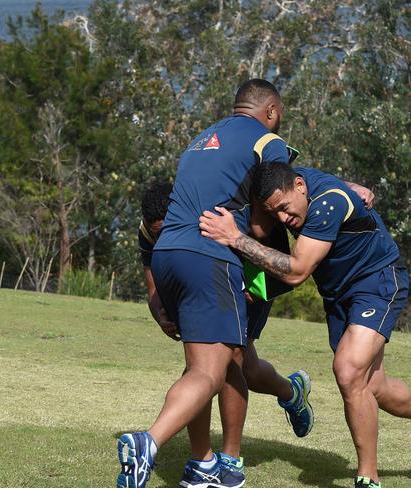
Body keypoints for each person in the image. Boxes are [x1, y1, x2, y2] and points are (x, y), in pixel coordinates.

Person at [116, 79, 295, 488]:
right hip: (212, 256)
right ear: (271, 111)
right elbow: (270, 209)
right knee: (214, 372)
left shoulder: (200, 139)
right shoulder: (268, 142)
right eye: (279, 116)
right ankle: (149, 443)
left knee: (211, 364)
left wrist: (156, 298)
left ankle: (204, 467)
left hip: (169, 256)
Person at [199, 162, 411, 488]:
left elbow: (297, 272)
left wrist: (235, 238)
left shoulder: (328, 203)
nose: (283, 219)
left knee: (348, 370)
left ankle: (367, 478)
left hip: (377, 279)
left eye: (284, 209)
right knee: (374, 388)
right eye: (275, 213)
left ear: (300, 186)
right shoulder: (296, 181)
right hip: (339, 295)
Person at [137, 181, 313, 483]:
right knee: (243, 368)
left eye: (167, 229)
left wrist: (255, 289)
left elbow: (270, 254)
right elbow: (153, 283)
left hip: (250, 283)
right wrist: (159, 313)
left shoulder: (214, 212)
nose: (162, 237)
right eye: (157, 232)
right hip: (205, 287)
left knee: (227, 362)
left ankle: (227, 459)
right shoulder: (148, 232)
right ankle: (291, 391)